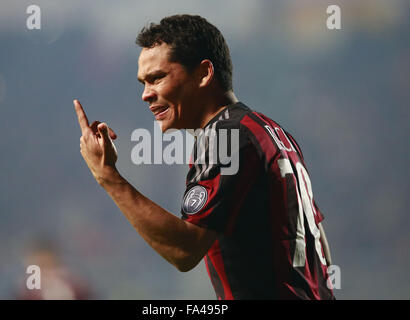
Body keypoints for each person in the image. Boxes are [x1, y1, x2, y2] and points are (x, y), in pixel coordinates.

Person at [74, 14, 334, 300]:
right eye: (143, 83)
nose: (146, 95)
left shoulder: (226, 136)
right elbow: (318, 239)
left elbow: (184, 250)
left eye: (157, 78)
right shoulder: (273, 132)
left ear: (204, 74)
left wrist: (108, 176)